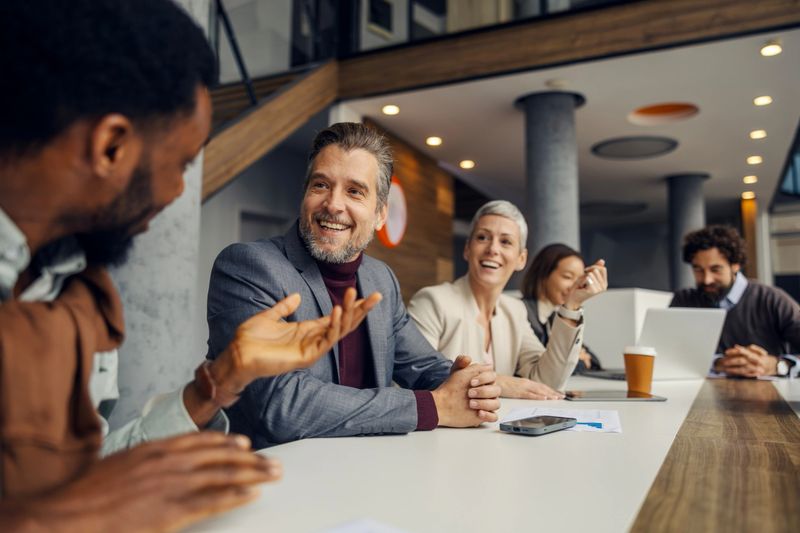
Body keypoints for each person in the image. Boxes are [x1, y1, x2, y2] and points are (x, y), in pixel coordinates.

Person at [0, 1, 378, 530]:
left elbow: (93, 473)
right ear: (110, 146)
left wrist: (215, 386)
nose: (180, 191)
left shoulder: (73, 284)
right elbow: (76, 504)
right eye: (180, 165)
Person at [206, 122, 501, 448]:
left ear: (379, 214)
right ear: (305, 195)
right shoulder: (249, 266)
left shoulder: (380, 279)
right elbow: (282, 406)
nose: (333, 204)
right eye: (321, 185)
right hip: (269, 479)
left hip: (364, 473)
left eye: (354, 191)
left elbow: (423, 365)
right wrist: (431, 406)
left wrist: (471, 385)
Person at [408, 201, 608, 399]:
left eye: (505, 242)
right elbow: (415, 378)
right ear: (467, 249)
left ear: (521, 258)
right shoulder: (432, 301)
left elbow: (547, 382)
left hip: (498, 429)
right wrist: (501, 383)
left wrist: (572, 305)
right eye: (482, 237)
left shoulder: (515, 310)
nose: (493, 249)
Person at [670, 225, 800, 378]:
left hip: (771, 398)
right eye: (698, 269)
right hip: (701, 397)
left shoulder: (772, 299)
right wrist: (717, 363)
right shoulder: (683, 301)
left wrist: (778, 365)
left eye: (715, 269)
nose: (706, 279)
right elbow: (670, 355)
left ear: (736, 265)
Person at [520, 243, 605, 373]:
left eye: (579, 279)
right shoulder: (521, 312)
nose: (575, 286)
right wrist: (578, 360)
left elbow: (594, 361)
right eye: (567, 277)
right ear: (543, 275)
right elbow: (550, 367)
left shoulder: (557, 315)